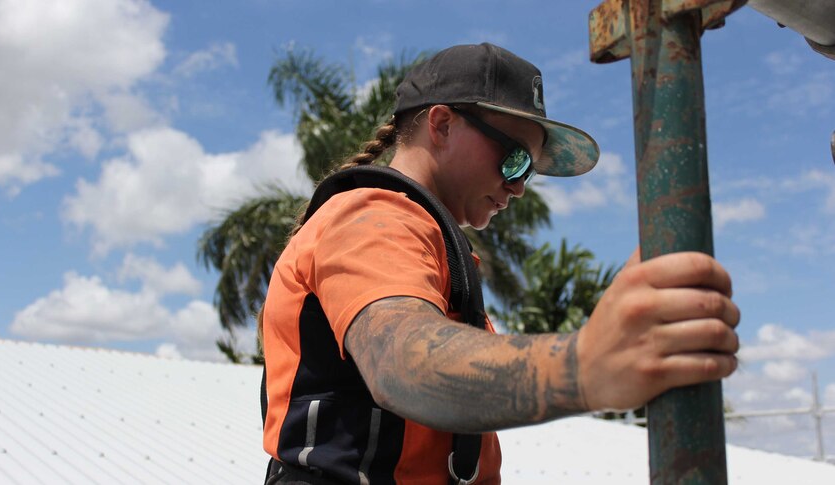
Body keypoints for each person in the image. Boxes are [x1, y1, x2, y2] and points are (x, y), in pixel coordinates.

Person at [259, 43, 740, 485]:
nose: (519, 186)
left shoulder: (428, 239)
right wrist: (584, 366)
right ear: (442, 124)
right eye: (513, 160)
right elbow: (399, 360)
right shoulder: (373, 217)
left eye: (528, 171)